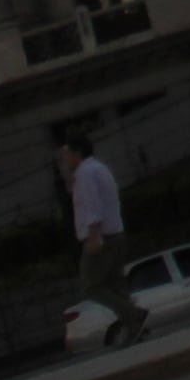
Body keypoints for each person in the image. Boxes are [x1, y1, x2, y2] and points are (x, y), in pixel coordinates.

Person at [62, 131, 146, 347]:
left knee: (91, 286)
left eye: (67, 155)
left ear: (77, 153)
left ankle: (134, 314)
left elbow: (92, 206)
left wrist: (94, 237)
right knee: (117, 284)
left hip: (101, 237)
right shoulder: (100, 168)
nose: (65, 161)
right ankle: (134, 328)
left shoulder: (85, 174)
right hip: (116, 233)